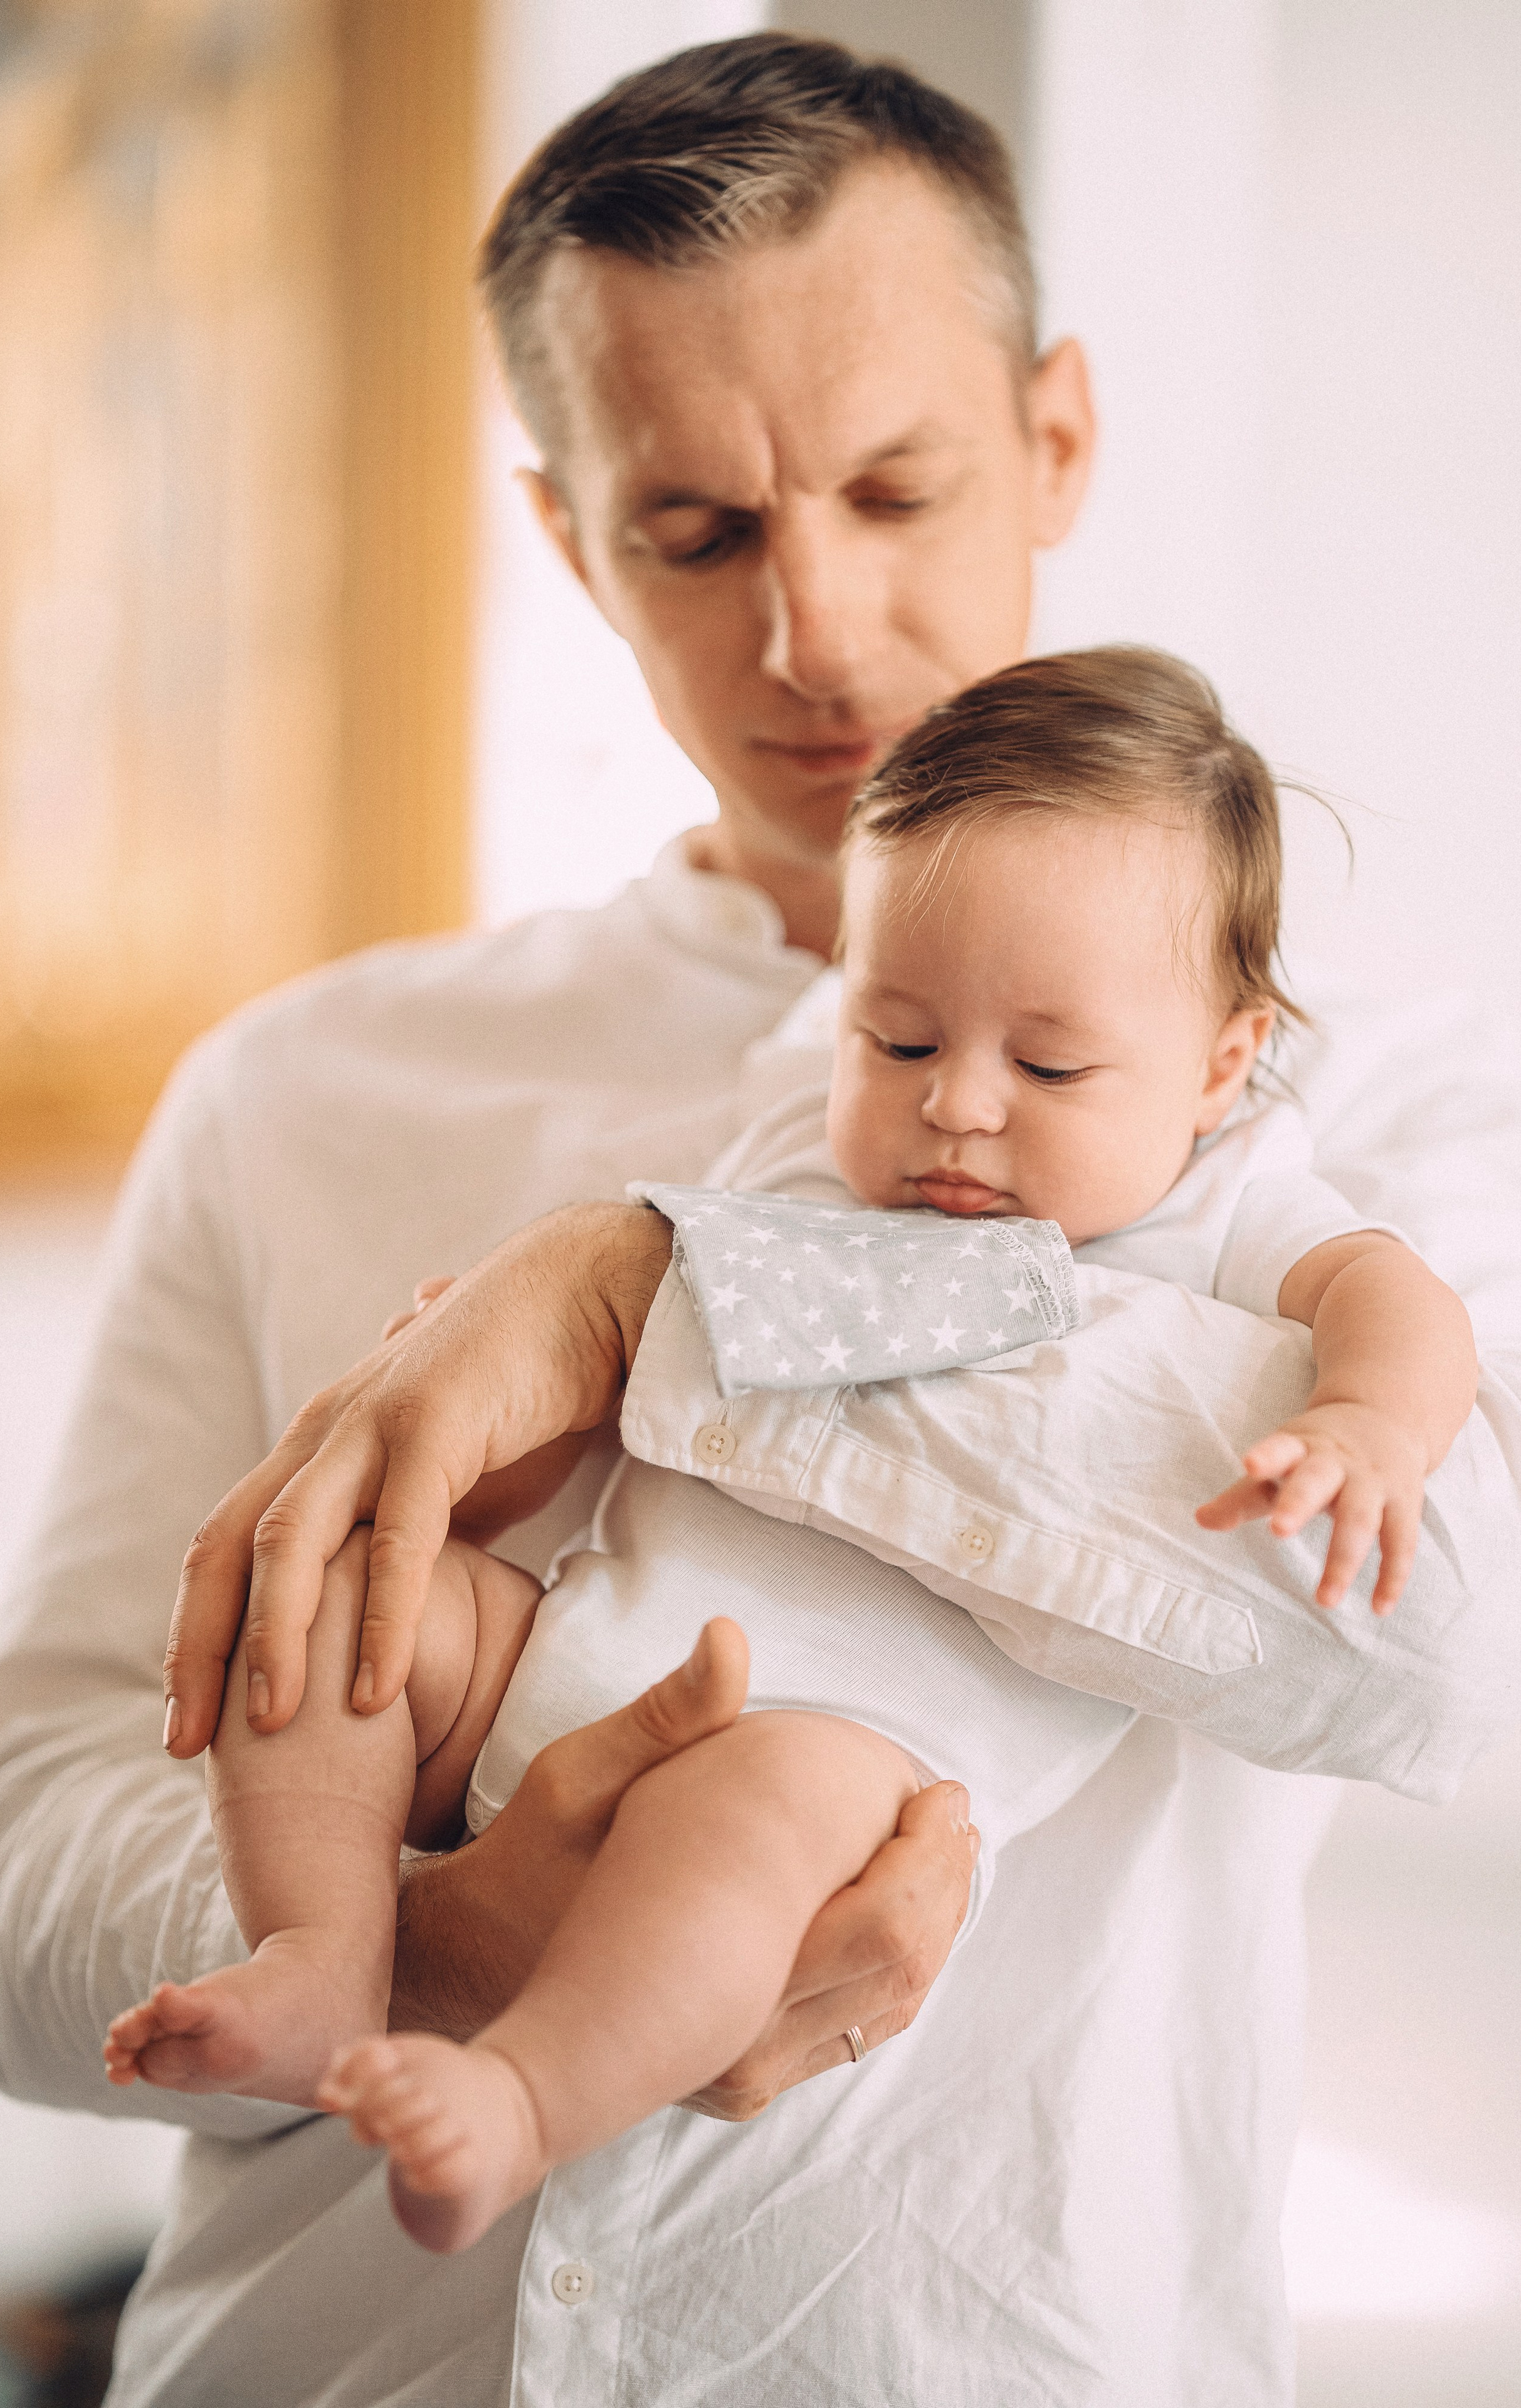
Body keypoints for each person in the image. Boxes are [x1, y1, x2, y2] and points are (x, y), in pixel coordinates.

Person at [0, 36, 1520, 2407]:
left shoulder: (1367, 1108)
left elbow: (1438, 1663)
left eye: (897, 487)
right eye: (697, 530)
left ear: (1060, 436)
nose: (814, 630)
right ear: (567, 531)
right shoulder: (305, 1089)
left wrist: (656, 1290)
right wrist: (426, 1946)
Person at [102, 647, 1491, 2274]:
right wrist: (480, 1464)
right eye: (895, 1039)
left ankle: (522, 2102)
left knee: (746, 1821)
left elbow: (1401, 1306)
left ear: (1219, 1061)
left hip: (837, 1739)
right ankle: (324, 1954)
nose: (956, 1107)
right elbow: (614, 1394)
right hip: (568, 1645)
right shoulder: (794, 1153)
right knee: (352, 1596)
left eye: (1046, 1067)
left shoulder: (1237, 1196)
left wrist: (1369, 1423)